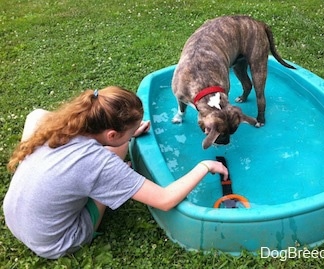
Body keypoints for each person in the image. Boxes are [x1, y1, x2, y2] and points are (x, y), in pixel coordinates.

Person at [3, 86, 228, 259]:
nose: (131, 136)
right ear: (111, 134)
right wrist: (204, 166)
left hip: (16, 219)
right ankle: (110, 184)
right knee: (111, 166)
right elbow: (165, 200)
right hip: (56, 241)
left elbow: (38, 117)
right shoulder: (98, 163)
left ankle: (111, 173)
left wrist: (126, 136)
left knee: (103, 166)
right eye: (129, 132)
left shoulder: (47, 121)